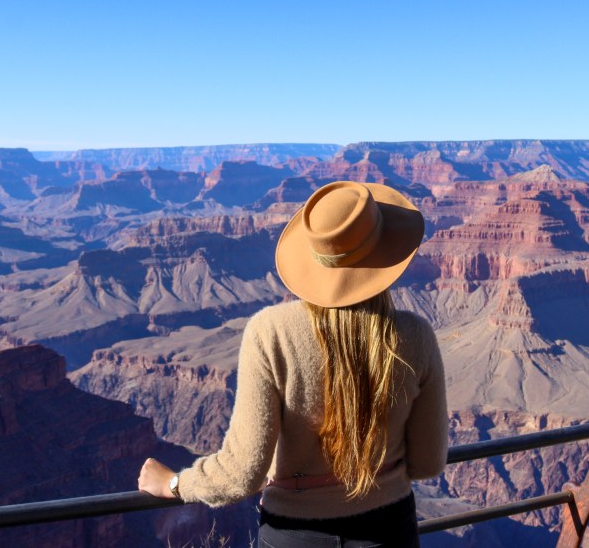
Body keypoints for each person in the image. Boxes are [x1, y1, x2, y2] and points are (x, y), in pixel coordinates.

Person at [139, 180, 448, 547]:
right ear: (385, 253)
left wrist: (175, 483)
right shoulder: (416, 336)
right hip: (389, 530)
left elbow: (243, 473)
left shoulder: (270, 333)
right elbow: (428, 463)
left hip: (295, 535)